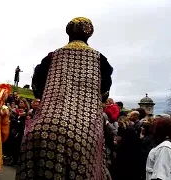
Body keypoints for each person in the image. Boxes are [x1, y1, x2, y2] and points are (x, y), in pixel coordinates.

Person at [17, 17, 113, 180]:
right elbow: (104, 93)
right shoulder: (100, 60)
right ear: (89, 35)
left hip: (43, 126)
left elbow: (37, 86)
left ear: (68, 33)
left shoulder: (51, 57)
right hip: (83, 131)